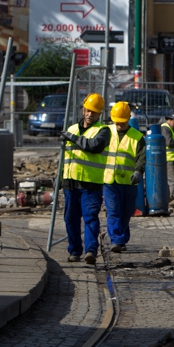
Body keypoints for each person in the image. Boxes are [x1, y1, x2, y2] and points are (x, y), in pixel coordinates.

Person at [61, 93, 111, 265]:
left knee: (90, 217)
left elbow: (93, 146)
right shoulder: (72, 129)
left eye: (94, 113)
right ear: (83, 109)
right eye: (88, 111)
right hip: (70, 182)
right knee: (70, 218)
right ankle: (74, 251)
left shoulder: (103, 131)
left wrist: (72, 138)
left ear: (99, 115)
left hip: (91, 184)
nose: (90, 115)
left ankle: (91, 251)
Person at [103, 102, 145, 253]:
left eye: (122, 121)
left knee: (126, 212)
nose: (119, 124)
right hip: (110, 180)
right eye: (117, 121)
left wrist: (138, 171)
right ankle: (116, 240)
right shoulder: (107, 131)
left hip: (128, 181)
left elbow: (141, 157)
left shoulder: (137, 137)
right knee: (113, 211)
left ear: (128, 119)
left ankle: (122, 238)